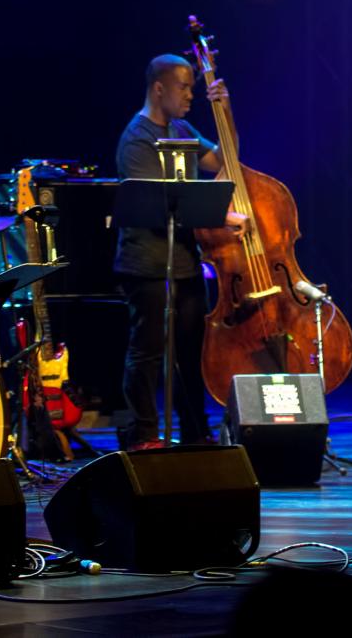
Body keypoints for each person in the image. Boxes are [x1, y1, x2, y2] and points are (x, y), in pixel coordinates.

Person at [113, 54, 245, 450]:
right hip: (146, 262)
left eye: (192, 87)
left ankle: (195, 431)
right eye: (184, 87)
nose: (191, 94)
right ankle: (144, 434)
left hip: (186, 263)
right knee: (148, 351)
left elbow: (226, 162)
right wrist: (220, 215)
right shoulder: (137, 138)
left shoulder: (183, 129)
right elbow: (159, 204)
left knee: (192, 352)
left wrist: (225, 112)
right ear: (159, 88)